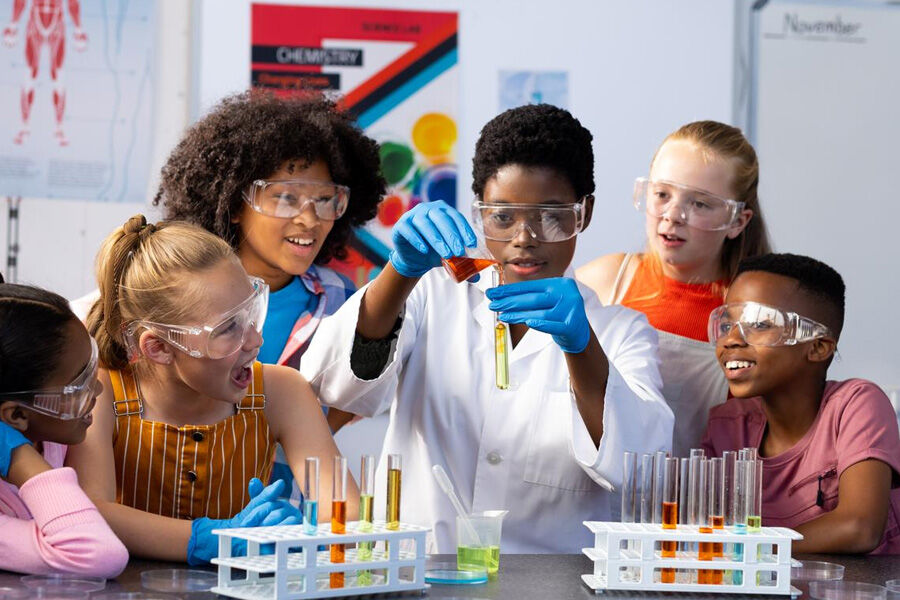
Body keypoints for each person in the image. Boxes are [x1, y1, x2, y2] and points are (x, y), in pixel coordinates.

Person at [300, 104, 673, 553]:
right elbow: (336, 385)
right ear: (479, 210)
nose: (524, 237)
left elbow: (640, 468)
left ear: (584, 212)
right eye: (502, 216)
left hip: (549, 588)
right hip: (421, 576)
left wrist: (582, 348)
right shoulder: (435, 295)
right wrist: (399, 272)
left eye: (551, 215)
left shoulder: (619, 332)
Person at [71, 91, 385, 498]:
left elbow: (359, 399)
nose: (309, 218)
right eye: (286, 197)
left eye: (326, 200)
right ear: (236, 201)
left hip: (274, 511)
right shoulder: (139, 301)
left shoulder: (345, 303)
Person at [66, 216, 355, 564]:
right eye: (228, 329)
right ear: (158, 347)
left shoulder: (282, 391)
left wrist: (303, 536)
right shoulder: (100, 392)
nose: (255, 341)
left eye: (252, 313)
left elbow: (346, 517)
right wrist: (211, 539)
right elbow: (90, 511)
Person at [577, 121, 771, 455]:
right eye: (662, 194)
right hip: (603, 500)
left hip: (702, 501)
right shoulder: (606, 281)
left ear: (737, 222)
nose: (673, 215)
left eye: (700, 203)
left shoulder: (755, 312)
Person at [701, 253, 899, 554]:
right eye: (726, 325)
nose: (730, 340)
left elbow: (860, 527)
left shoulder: (856, 405)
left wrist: (749, 550)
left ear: (817, 347)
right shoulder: (727, 426)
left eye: (759, 324)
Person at [0, 277, 128, 576]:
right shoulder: (33, 445)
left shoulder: (51, 437)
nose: (96, 390)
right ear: (17, 415)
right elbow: (97, 555)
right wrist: (19, 456)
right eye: (78, 385)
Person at [2, 0, 88, 145]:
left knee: (58, 77)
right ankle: (24, 126)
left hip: (56, 23)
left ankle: (59, 128)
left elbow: (72, 3)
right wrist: (13, 24)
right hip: (35, 21)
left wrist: (79, 29)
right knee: (30, 75)